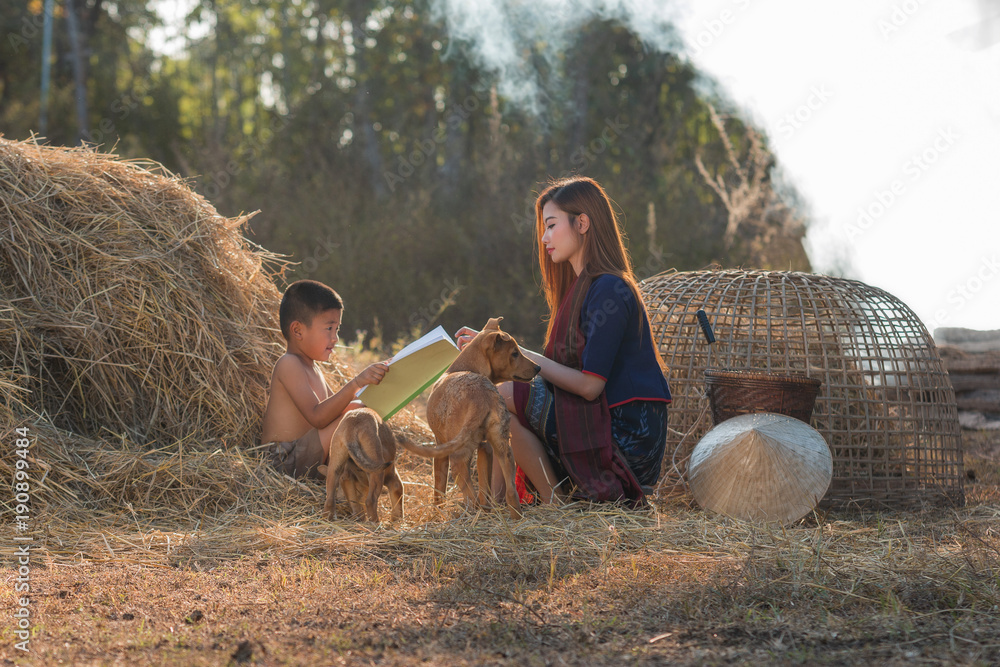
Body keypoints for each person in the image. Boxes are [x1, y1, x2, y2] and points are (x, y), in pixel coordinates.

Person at [456, 177, 671, 505]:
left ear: (582, 223)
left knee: (501, 396)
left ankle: (555, 507)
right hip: (597, 418)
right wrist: (490, 349)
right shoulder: (583, 288)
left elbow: (589, 386)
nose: (544, 238)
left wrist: (517, 353)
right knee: (501, 408)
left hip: (628, 437)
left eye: (552, 225)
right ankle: (493, 506)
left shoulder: (610, 289)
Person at [261, 279, 389, 479]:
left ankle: (356, 473)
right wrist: (356, 382)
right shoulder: (289, 364)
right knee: (354, 414)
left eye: (336, 329)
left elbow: (337, 409)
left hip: (305, 454)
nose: (335, 338)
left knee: (359, 409)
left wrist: (377, 390)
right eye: (329, 328)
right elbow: (318, 417)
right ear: (298, 331)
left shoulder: (312, 367)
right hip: (284, 461)